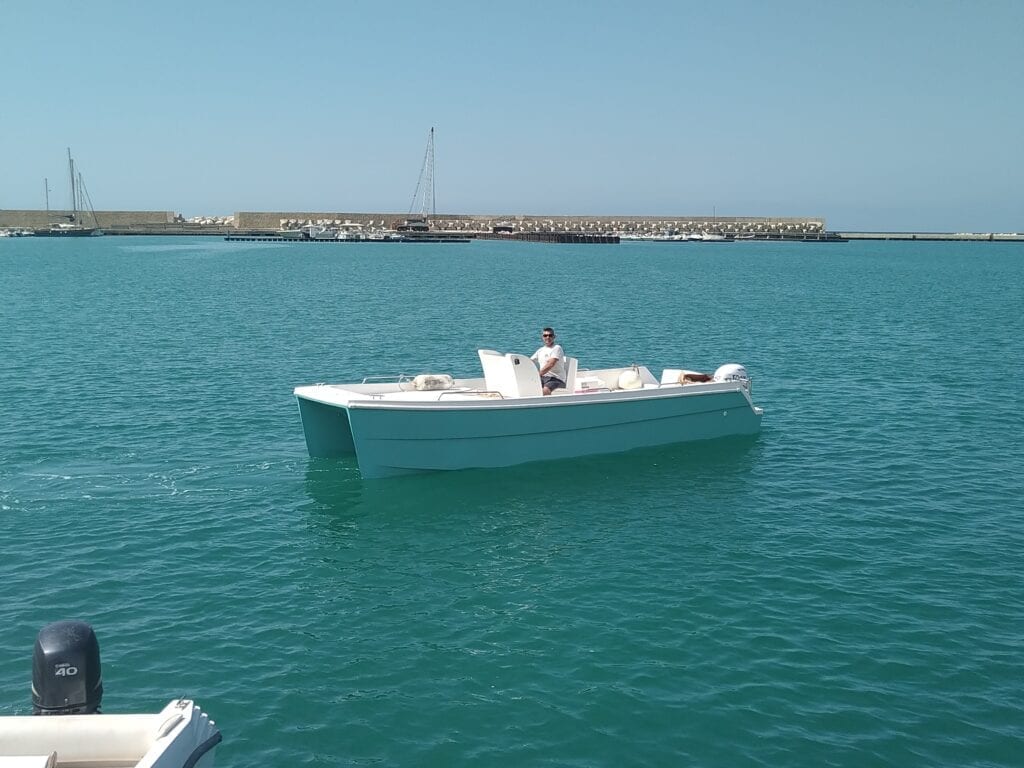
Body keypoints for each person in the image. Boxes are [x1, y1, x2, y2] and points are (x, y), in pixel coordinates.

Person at [531, 327, 566, 394]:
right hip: (543, 378)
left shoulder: (557, 348)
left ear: (554, 337)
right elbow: (529, 361)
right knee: (528, 386)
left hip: (556, 379)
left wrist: (538, 374)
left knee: (545, 390)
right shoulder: (540, 350)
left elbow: (550, 364)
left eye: (550, 335)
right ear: (542, 337)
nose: (548, 337)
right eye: (545, 335)